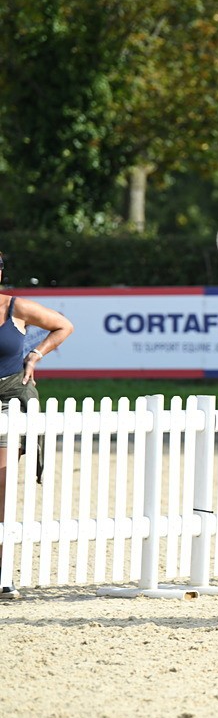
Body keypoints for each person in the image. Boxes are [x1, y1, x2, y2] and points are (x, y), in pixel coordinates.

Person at [0, 250, 74, 599]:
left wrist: (36, 354)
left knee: (0, 488)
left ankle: (1, 576)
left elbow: (64, 325)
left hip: (10, 400)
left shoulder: (17, 307)